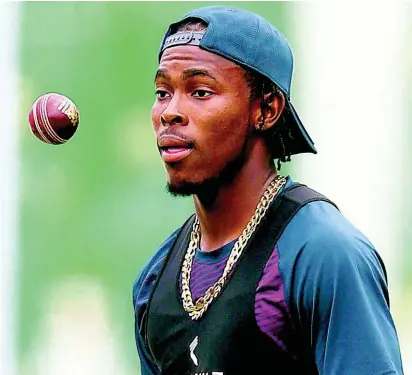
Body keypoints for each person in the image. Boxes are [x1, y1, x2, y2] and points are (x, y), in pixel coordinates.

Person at [132, 5, 404, 375]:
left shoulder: (324, 255)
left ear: (267, 109)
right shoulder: (155, 281)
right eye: (163, 92)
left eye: (200, 91)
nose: (170, 113)